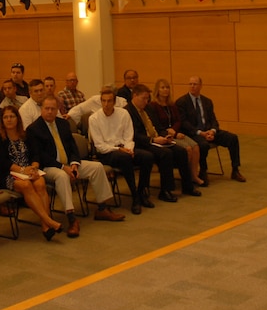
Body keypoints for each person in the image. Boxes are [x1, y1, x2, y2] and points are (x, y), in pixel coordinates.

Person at [26, 96, 124, 237]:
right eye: (46, 108)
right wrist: (62, 167)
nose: (49, 111)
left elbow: (73, 147)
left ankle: (103, 208)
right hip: (49, 167)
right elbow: (40, 156)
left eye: (52, 109)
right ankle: (71, 218)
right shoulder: (33, 129)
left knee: (97, 167)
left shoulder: (63, 124)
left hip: (69, 163)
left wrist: (74, 164)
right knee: (62, 176)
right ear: (41, 109)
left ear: (57, 110)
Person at [0, 105, 61, 239]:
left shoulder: (26, 135)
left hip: (30, 171)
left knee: (40, 184)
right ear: (2, 120)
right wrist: (23, 170)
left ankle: (45, 225)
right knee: (26, 185)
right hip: (9, 175)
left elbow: (36, 154)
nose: (9, 119)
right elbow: (3, 163)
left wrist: (34, 167)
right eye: (5, 117)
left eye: (12, 116)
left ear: (17, 119)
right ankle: (48, 221)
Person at [88, 87, 154, 215]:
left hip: (126, 149)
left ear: (114, 102)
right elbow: (100, 146)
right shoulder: (94, 119)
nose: (106, 104)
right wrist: (120, 149)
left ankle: (141, 192)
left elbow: (129, 136)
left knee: (148, 157)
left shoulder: (123, 114)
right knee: (125, 158)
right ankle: (135, 196)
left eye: (109, 101)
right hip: (107, 153)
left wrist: (128, 149)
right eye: (103, 101)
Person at [128, 84, 197, 201]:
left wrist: (166, 135)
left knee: (181, 151)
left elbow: (158, 127)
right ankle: (166, 190)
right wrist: (153, 140)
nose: (146, 101)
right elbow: (133, 135)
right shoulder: (128, 111)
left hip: (157, 139)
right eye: (143, 98)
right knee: (166, 154)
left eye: (147, 99)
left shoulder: (148, 108)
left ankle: (187, 185)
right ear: (135, 96)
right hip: (144, 143)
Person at [176, 76, 246, 183]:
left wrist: (212, 131)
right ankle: (203, 171)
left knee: (232, 138)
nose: (192, 86)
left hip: (209, 131)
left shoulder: (207, 101)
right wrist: (201, 133)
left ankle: (235, 170)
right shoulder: (182, 102)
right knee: (203, 145)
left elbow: (213, 120)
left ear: (200, 86)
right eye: (190, 84)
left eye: (195, 84)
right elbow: (184, 123)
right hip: (194, 133)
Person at [148, 78, 204, 188]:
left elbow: (179, 120)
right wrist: (171, 132)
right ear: (157, 90)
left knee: (195, 146)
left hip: (176, 132)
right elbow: (156, 124)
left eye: (167, 87)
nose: (165, 90)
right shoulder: (153, 106)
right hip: (164, 135)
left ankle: (194, 175)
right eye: (162, 87)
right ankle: (185, 177)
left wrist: (174, 130)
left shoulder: (172, 105)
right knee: (187, 149)